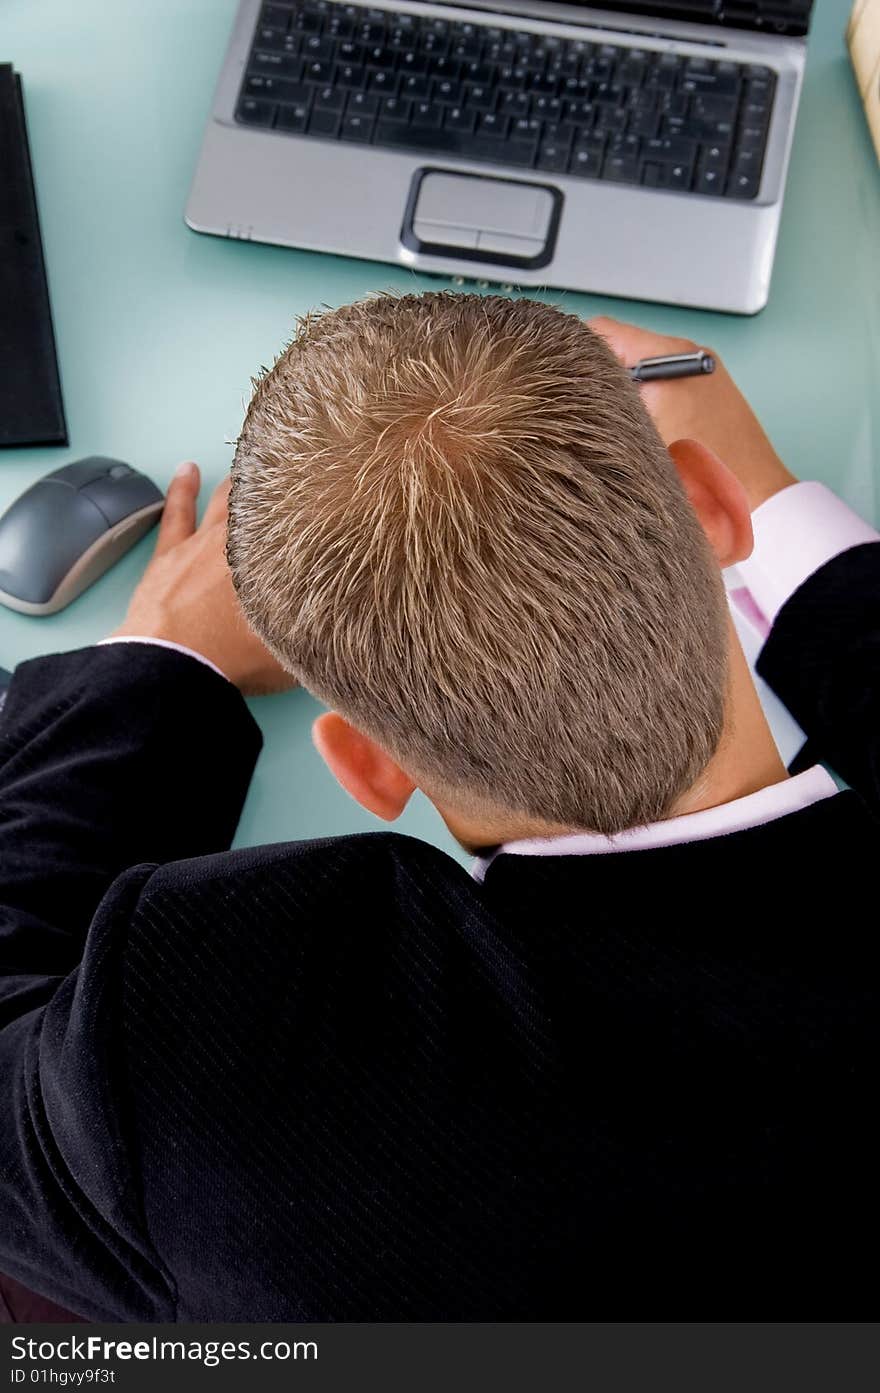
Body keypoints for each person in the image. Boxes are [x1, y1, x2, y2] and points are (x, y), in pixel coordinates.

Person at [0, 295, 876, 1322]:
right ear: (710, 505)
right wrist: (787, 522)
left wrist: (167, 663)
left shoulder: (203, 1034)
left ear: (368, 768)